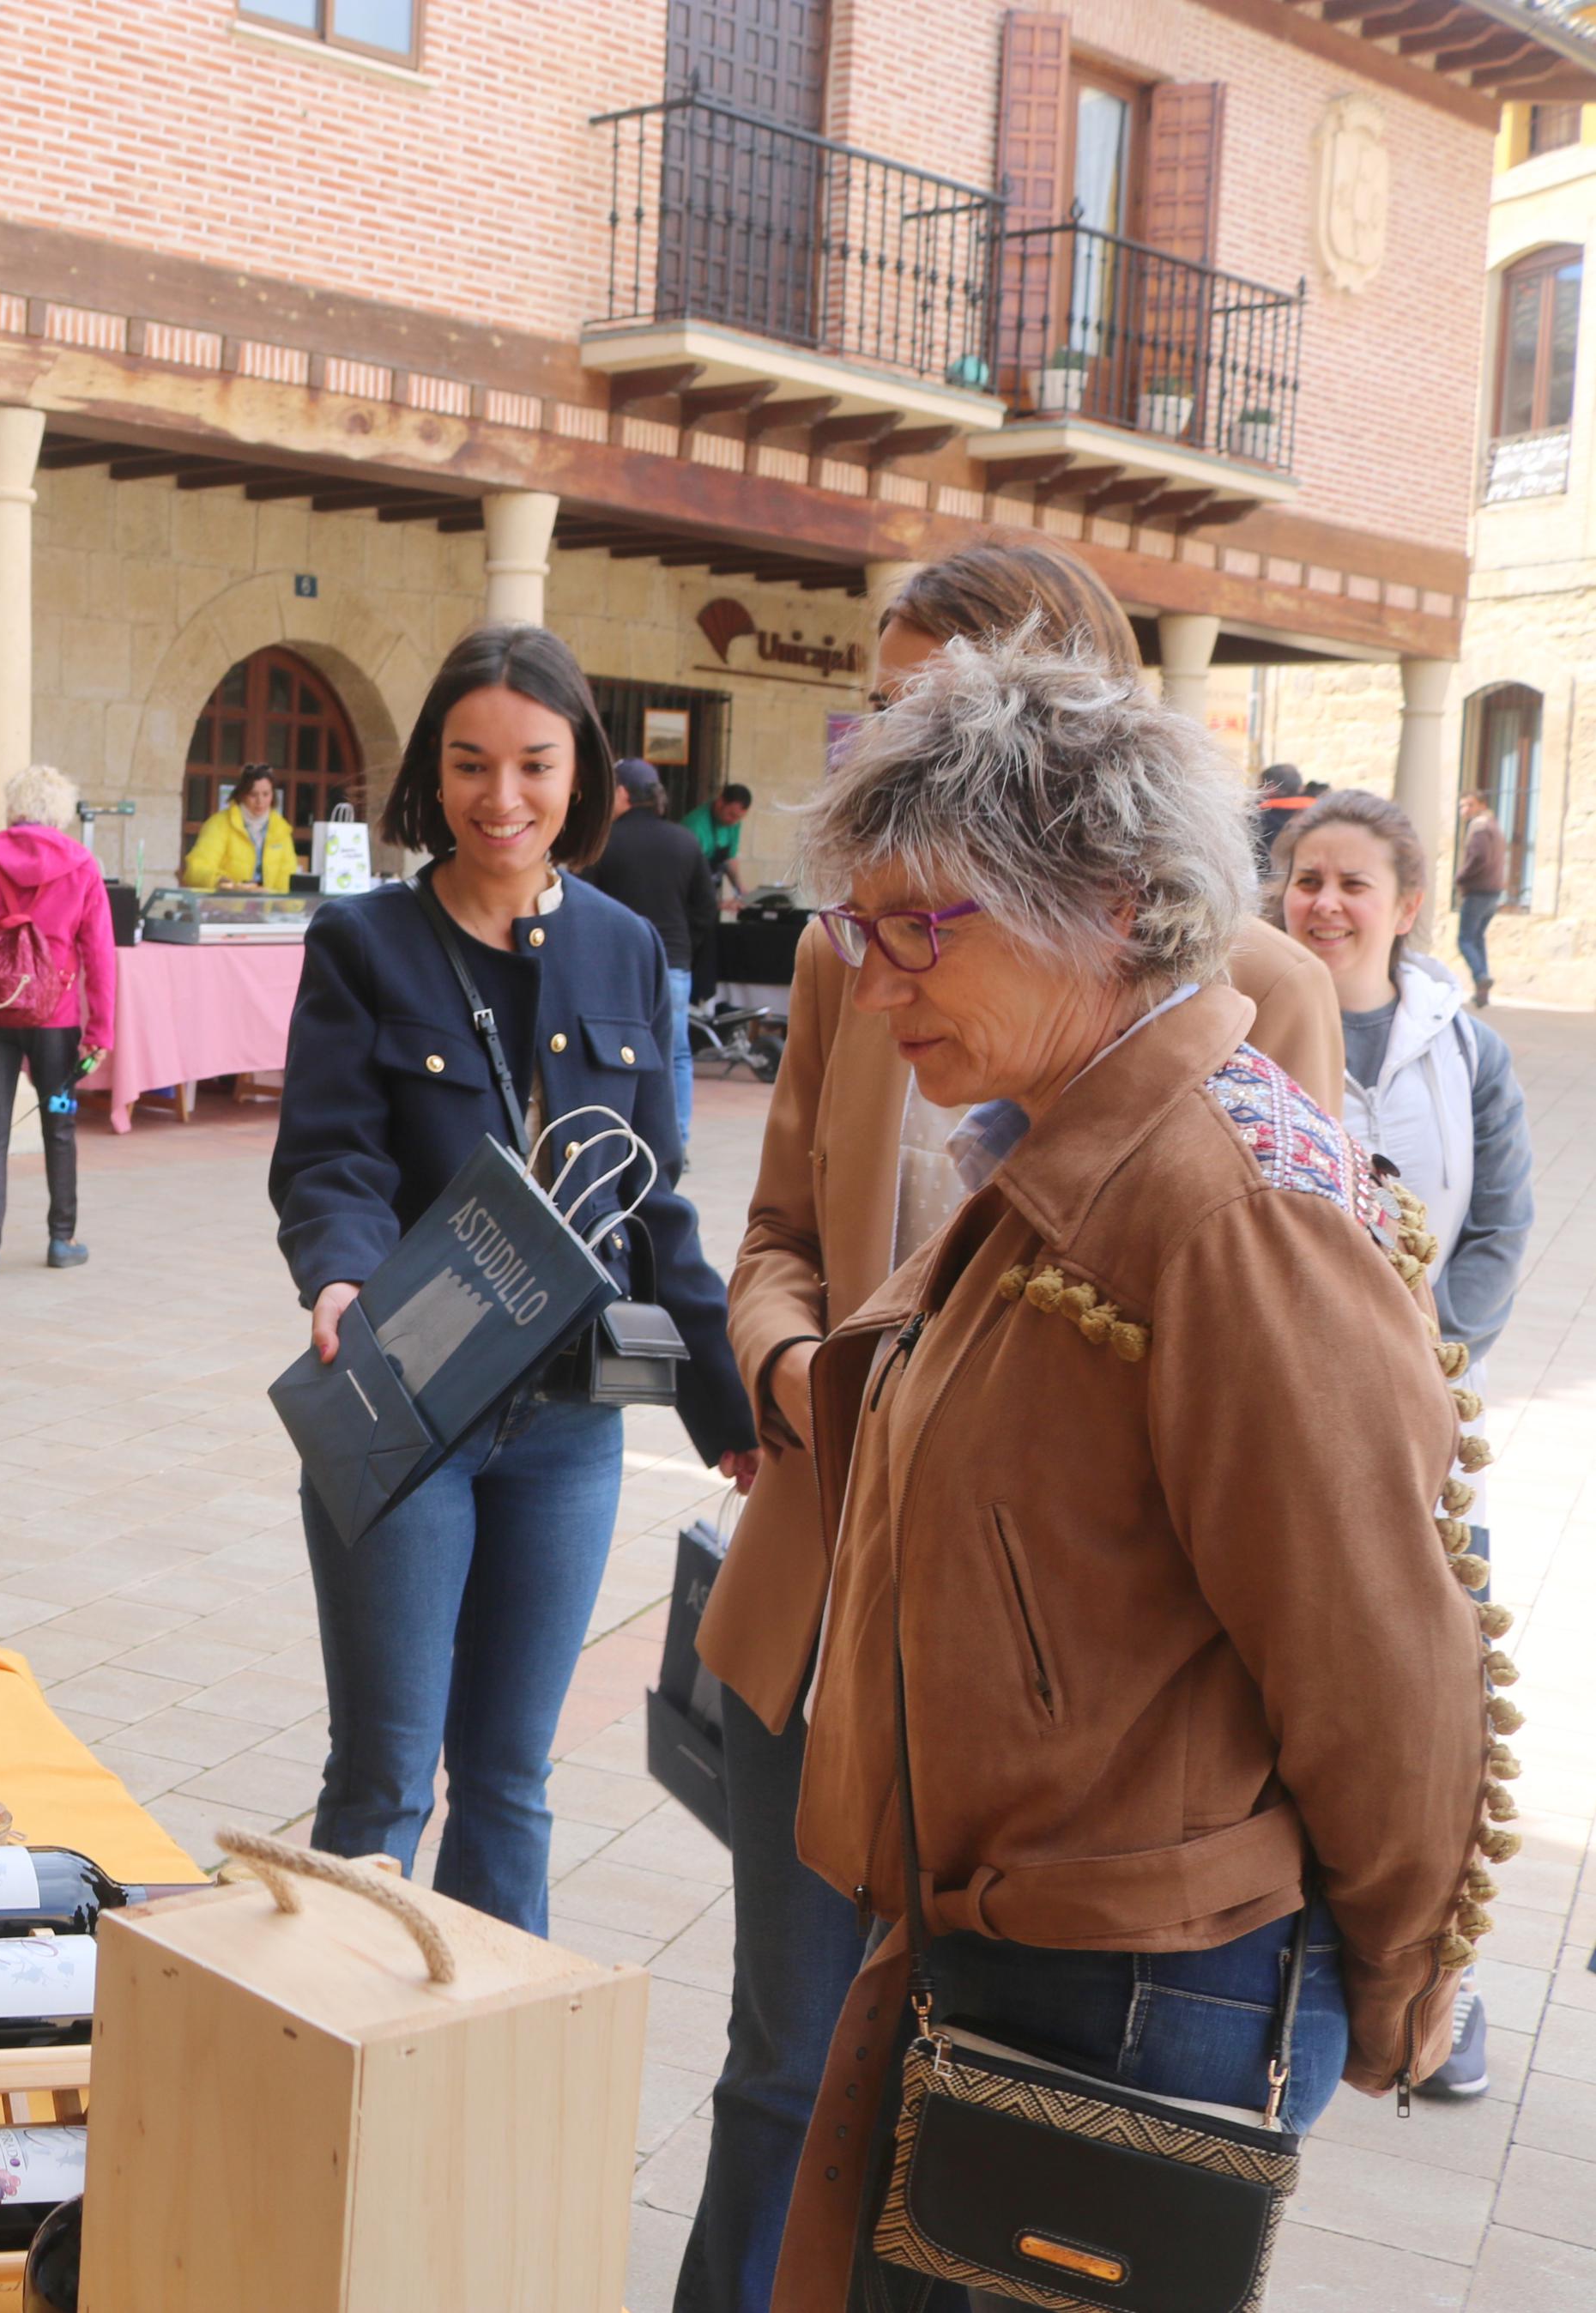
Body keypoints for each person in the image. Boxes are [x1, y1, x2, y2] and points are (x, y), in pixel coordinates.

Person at [771, 633, 1496, 2311]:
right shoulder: (1057, 1146)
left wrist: (1398, 1978)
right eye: (852, 932)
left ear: (1104, 904)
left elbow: (1380, 1662)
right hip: (1025, 1952)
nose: (872, 987)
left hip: (1133, 2002)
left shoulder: (1224, 1209)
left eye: (915, 931)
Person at [677, 535, 1345, 2313]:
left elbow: (1315, 1489)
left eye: (941, 705)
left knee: (969, 2163)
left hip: (1047, 1748)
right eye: (881, 705)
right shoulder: (858, 954)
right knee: (783, 2077)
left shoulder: (1248, 1016)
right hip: (820, 1589)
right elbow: (764, 1236)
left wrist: (1383, 1957)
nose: (898, 742)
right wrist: (800, 1379)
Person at [270, 625, 759, 1925]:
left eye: (533, 764)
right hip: (405, 1395)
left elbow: (649, 1191)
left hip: (566, 1426)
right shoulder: (363, 938)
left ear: (580, 771)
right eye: (469, 763)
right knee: (382, 1776)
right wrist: (336, 1276)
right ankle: (325, 2057)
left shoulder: (620, 949)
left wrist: (733, 1415)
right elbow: (330, 1157)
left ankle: (486, 2070)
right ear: (429, 774)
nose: (501, 798)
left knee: (506, 1777)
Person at [1282, 788, 1533, 2099]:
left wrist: (1430, 1351)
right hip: (1273, 1412)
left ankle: (1445, 1984)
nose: (1322, 902)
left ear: (1406, 902)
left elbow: (1497, 1219)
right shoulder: (1243, 1011)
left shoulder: (1462, 1048)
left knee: (1432, 1706)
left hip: (1418, 1423)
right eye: (1304, 877)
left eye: (1349, 883)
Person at [0, 760, 117, 1276]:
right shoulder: (81, 865)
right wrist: (100, 1029)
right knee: (59, 1124)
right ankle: (62, 1240)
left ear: (14, 808)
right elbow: (100, 954)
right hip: (56, 1029)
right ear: (59, 814)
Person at [575, 756, 716, 1166]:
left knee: (611, 1053)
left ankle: (616, 1140)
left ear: (621, 794)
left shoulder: (603, 842)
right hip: (673, 961)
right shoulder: (685, 842)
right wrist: (684, 945)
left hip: (612, 964)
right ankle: (677, 1142)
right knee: (676, 1053)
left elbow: (581, 904)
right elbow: (705, 909)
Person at [180, 764, 296, 891]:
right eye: (253, 795)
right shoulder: (219, 824)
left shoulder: (281, 829)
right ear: (242, 795)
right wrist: (220, 882)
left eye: (266, 794)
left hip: (267, 908)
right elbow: (196, 868)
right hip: (224, 906)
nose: (260, 801)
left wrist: (292, 905)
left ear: (273, 795)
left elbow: (287, 876)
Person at [1456, 790, 1508, 1007]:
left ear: (1480, 805)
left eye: (1469, 805)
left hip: (1479, 891)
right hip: (1493, 892)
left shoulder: (1479, 826)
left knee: (1465, 940)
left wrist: (1461, 877)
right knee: (1477, 939)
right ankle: (1482, 992)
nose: (1464, 810)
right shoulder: (1494, 826)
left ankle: (1480, 976)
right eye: (1462, 806)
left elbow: (1478, 857)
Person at [680, 781, 753, 898]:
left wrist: (739, 889)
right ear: (720, 803)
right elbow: (686, 871)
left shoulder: (734, 824)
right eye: (731, 815)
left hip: (710, 891)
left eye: (739, 818)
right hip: (690, 894)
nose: (734, 821)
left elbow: (730, 858)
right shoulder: (695, 825)